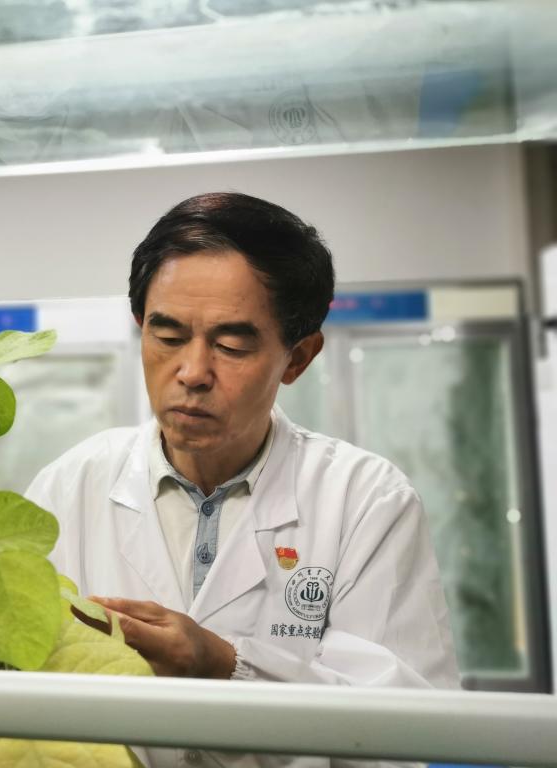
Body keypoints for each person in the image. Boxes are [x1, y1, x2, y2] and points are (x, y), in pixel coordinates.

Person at [24, 192, 459, 765]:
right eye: (167, 337)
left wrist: (226, 666)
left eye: (230, 345)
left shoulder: (365, 500)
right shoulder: (69, 486)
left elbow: (406, 730)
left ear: (298, 357)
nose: (192, 372)